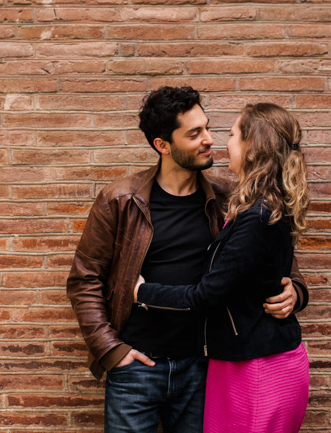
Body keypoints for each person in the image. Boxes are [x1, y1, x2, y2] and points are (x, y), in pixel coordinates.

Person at [67, 87, 309, 433]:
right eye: (194, 134)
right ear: (162, 145)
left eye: (208, 128)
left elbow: (273, 258)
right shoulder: (120, 199)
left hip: (204, 366)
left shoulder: (229, 199)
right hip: (136, 367)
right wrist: (111, 350)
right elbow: (85, 280)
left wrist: (295, 291)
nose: (209, 140)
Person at [133, 103, 311, 433]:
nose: (220, 141)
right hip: (237, 361)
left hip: (258, 366)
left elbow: (207, 295)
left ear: (253, 147)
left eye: (231, 135)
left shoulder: (258, 217)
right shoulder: (252, 208)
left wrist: (141, 291)